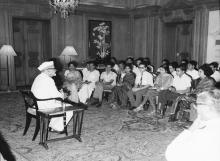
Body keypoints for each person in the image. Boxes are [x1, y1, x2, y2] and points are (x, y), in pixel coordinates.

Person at [166, 88, 220, 161]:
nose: (195, 107)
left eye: (197, 104)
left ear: (205, 107)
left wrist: (193, 127)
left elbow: (171, 154)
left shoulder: (205, 133)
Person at [31, 61, 73, 131]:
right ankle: (57, 128)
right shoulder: (49, 80)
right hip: (44, 106)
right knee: (69, 108)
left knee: (61, 104)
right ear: (48, 70)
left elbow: (48, 92)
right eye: (54, 71)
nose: (55, 73)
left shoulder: (39, 77)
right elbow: (57, 96)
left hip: (37, 104)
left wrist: (59, 94)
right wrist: (63, 95)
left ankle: (52, 125)